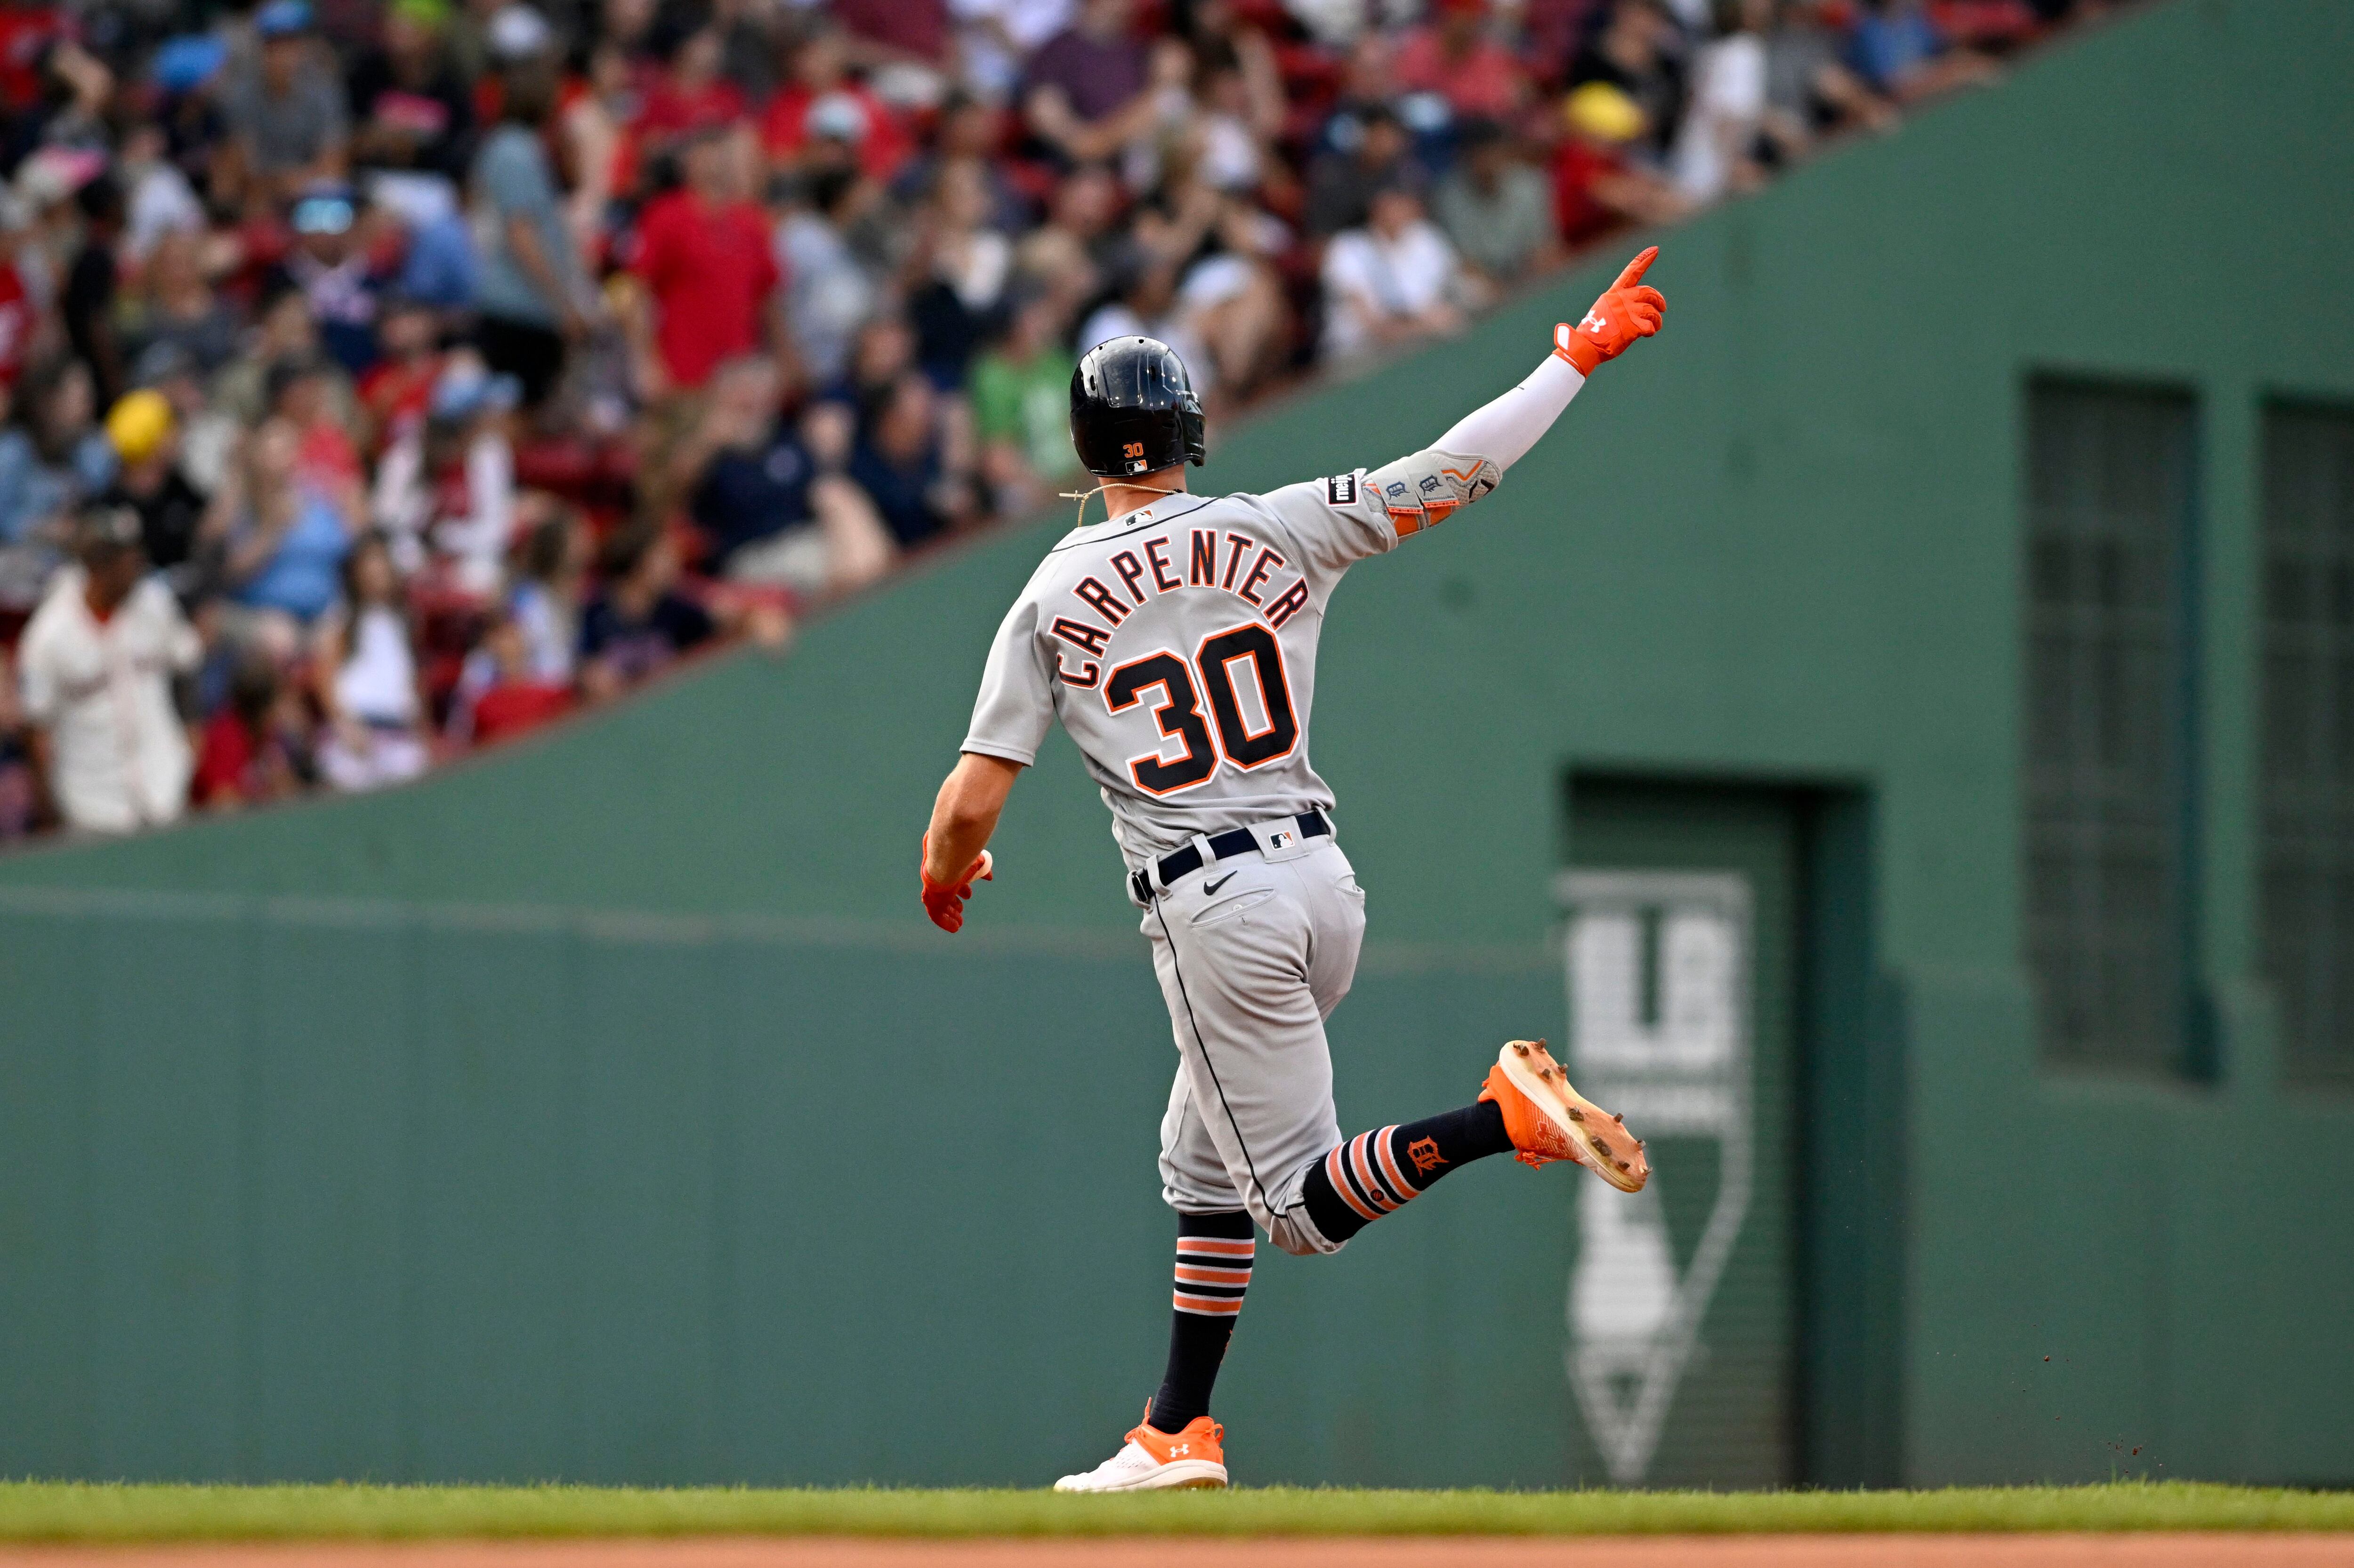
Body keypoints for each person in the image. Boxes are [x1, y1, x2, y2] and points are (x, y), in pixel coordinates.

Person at [918, 253, 1666, 1489]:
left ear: (1092, 445)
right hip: (1321, 883)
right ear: (1187, 434)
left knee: (1302, 1212)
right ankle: (1175, 1429)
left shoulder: (1052, 593)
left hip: (1214, 906)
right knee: (1199, 1157)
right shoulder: (1274, 522)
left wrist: (950, 873)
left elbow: (972, 797)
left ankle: (1503, 1120)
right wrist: (1571, 355)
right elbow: (1454, 471)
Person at [16, 504, 201, 834]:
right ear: (99, 566)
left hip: (164, 787)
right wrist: (50, 808)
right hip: (91, 804)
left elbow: (187, 665)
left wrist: (190, 745)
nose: (137, 567)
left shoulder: (154, 603)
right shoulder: (50, 633)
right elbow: (36, 727)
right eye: (127, 561)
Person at [470, 56, 589, 408]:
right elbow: (521, 233)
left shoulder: (528, 147)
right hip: (517, 306)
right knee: (516, 413)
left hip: (527, 305)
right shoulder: (514, 150)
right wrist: (562, 303)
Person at [315, 529, 430, 789]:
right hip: (356, 733)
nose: (376, 576)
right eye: (369, 570)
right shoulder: (342, 621)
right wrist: (343, 724)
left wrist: (423, 735)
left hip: (400, 736)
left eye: (381, 568)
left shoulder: (405, 624)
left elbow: (413, 685)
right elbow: (324, 675)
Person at [1318, 180, 1467, 362]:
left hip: (1422, 347)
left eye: (1402, 201)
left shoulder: (1425, 237)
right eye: (1390, 203)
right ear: (1375, 208)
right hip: (1357, 360)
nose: (1397, 209)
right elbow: (1377, 328)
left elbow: (1462, 282)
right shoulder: (1346, 249)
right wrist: (1429, 326)